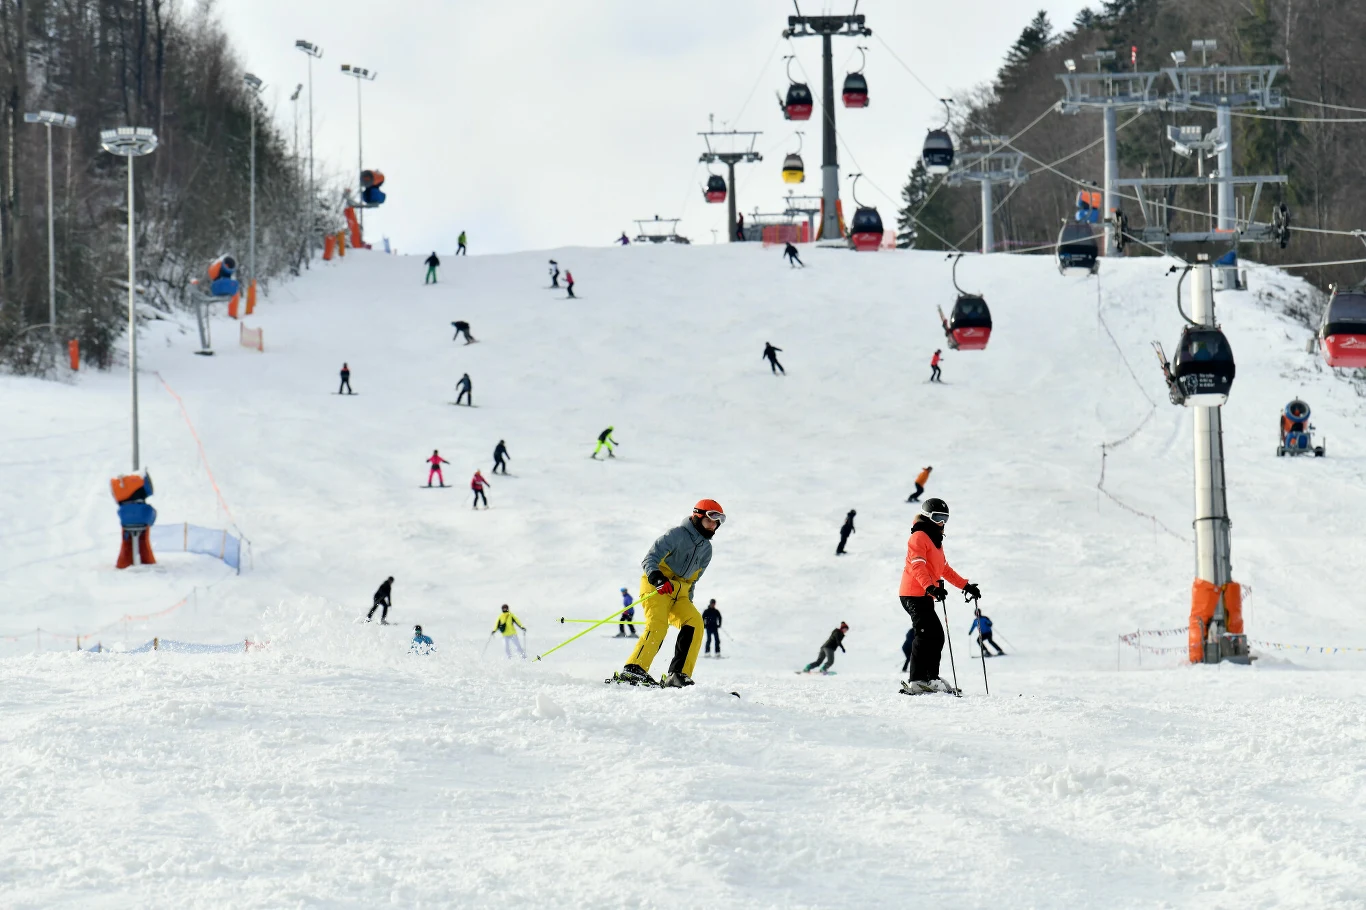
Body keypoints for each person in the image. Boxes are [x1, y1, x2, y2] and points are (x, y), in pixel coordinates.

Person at [613, 499, 725, 688]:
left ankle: (678, 675)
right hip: (658, 586)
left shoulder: (707, 550)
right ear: (697, 516)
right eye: (710, 519)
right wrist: (657, 578)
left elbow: (694, 580)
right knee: (658, 624)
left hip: (680, 594)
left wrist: (687, 603)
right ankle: (634, 669)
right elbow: (650, 559)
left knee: (695, 622)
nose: (713, 525)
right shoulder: (677, 535)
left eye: (717, 522)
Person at [899, 498, 980, 695]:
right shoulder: (918, 536)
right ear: (928, 516)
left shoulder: (936, 540)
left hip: (925, 594)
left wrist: (966, 586)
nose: (942, 522)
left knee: (936, 635)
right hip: (913, 593)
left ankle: (930, 678)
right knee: (926, 633)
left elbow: (944, 569)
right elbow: (917, 565)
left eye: (945, 518)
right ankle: (918, 680)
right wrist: (930, 587)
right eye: (938, 517)